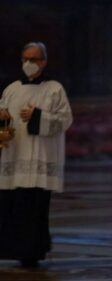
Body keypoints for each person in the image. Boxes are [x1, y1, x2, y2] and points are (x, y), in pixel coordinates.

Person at [0, 42, 73, 268]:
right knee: (11, 206)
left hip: (39, 160)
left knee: (33, 208)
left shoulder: (54, 89)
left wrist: (37, 115)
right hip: (14, 157)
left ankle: (32, 252)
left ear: (44, 61)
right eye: (26, 59)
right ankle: (10, 249)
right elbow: (3, 114)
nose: (29, 64)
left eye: (34, 59)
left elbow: (64, 120)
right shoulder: (11, 89)